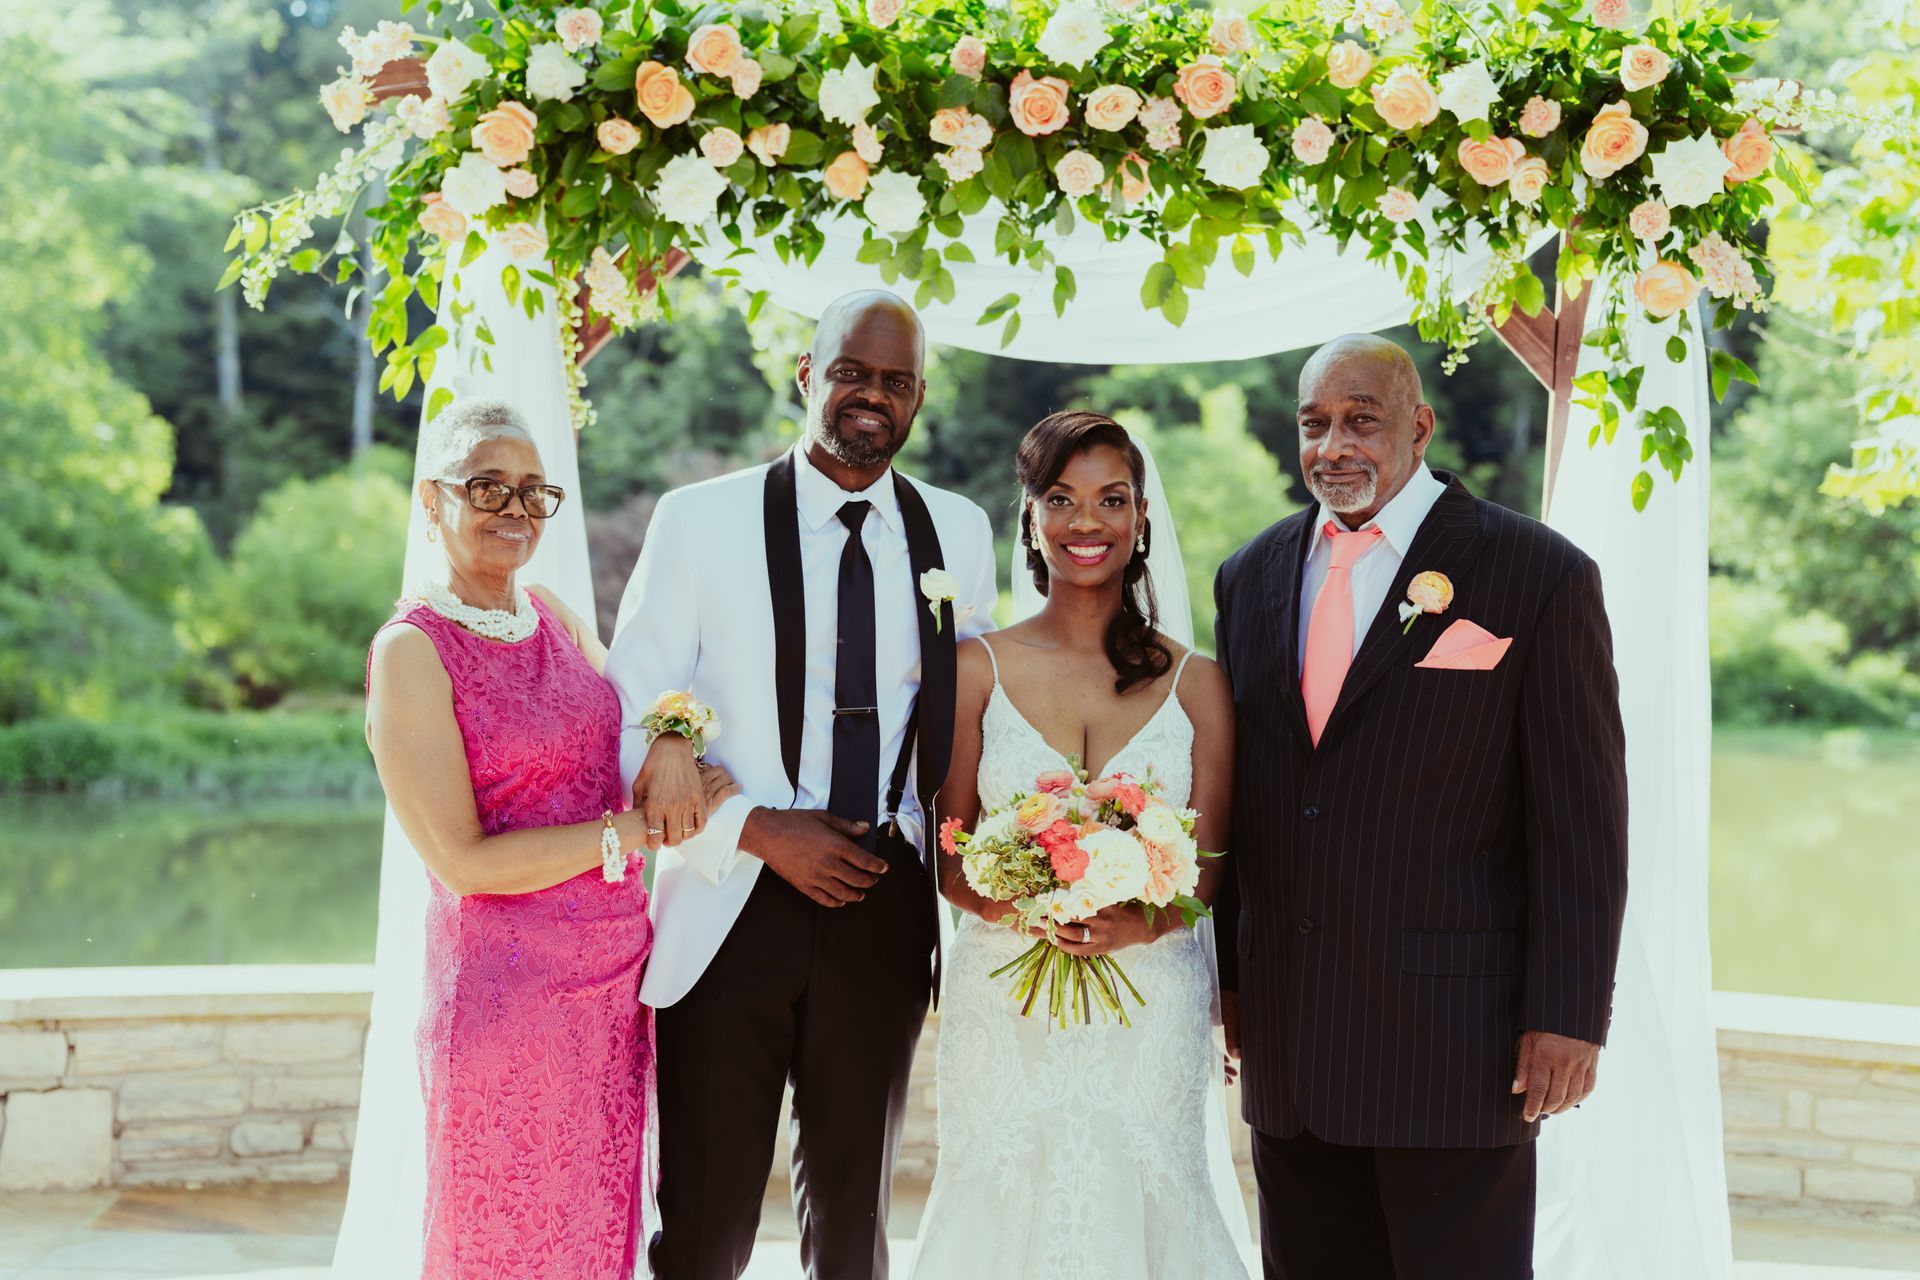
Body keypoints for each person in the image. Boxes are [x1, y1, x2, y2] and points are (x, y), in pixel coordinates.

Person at [1211, 334, 1630, 1277]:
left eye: (1362, 420)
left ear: (1420, 426)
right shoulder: (1252, 575)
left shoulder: (1539, 574)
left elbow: (1583, 822)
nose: (1335, 446)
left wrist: (1570, 1012)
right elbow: (1255, 801)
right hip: (1292, 1040)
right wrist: (1235, 985)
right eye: (1315, 424)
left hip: (1454, 1043)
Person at [605, 291, 999, 1279]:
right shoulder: (699, 519)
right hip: (731, 894)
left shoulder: (960, 529)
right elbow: (630, 714)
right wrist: (756, 828)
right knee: (703, 1218)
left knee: (855, 1219)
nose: (873, 394)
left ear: (920, 395)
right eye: (851, 372)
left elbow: (973, 713)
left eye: (896, 380)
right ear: (805, 376)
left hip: (885, 897)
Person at [363, 396, 734, 1278]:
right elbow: (461, 861)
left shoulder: (556, 616)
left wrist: (678, 741)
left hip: (612, 992)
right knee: (508, 1232)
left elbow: (640, 717)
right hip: (507, 999)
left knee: (595, 1226)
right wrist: (635, 831)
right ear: (431, 498)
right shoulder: (412, 652)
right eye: (487, 487)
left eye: (534, 493)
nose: (514, 511)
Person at [910, 411, 1248, 1280]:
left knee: (1152, 1190)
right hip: (1005, 999)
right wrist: (1020, 901)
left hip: (1151, 999)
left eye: (1111, 499)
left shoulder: (1198, 683)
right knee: (1000, 1195)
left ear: (1140, 522)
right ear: (1029, 518)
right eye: (1059, 499)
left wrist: (1137, 923)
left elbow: (1207, 870)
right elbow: (948, 849)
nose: (1084, 521)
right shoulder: (975, 667)